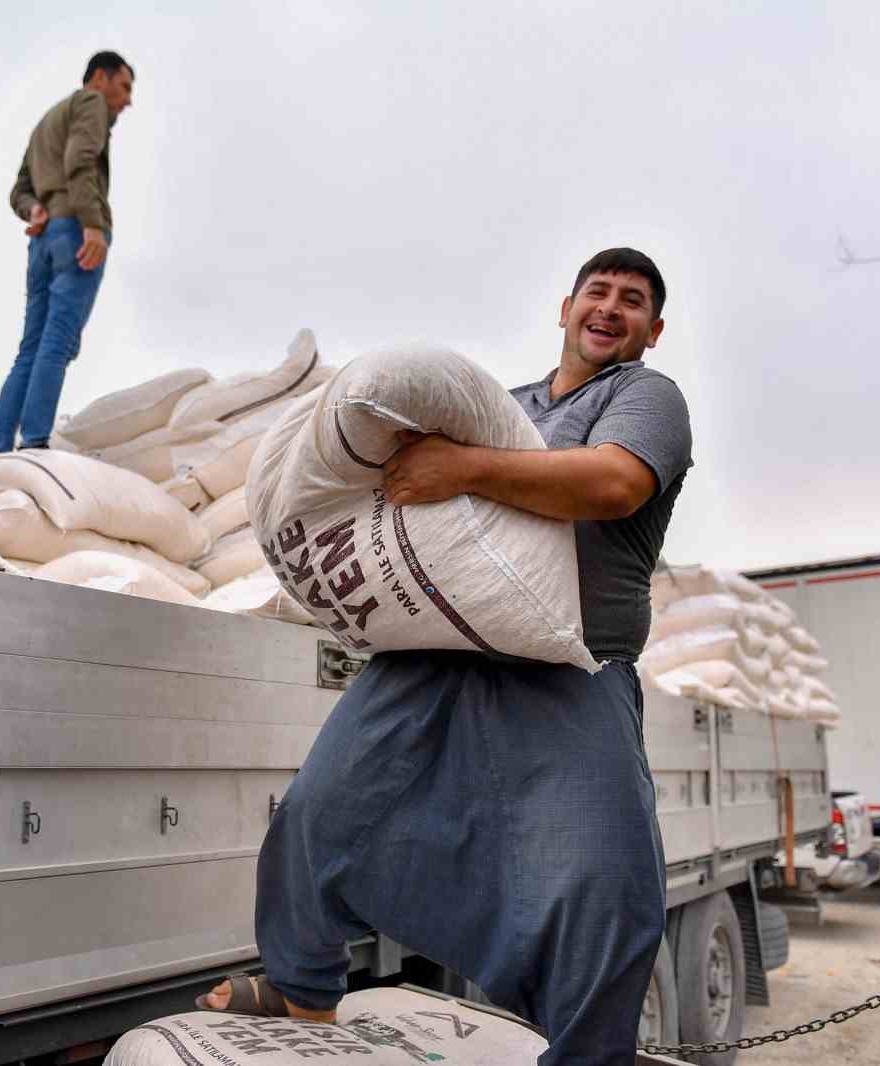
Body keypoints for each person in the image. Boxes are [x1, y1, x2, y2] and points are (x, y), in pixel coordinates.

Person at [200, 248, 692, 1065]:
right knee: (320, 813)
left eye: (632, 301)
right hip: (441, 648)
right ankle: (301, 985)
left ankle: (589, 1055)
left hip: (572, 668)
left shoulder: (644, 396)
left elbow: (613, 485)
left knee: (603, 881)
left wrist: (462, 467)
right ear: (565, 308)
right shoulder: (509, 404)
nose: (610, 308)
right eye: (597, 293)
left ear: (653, 329)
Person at [0, 52, 134, 454]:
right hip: (75, 232)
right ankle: (34, 445)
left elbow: (19, 188)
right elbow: (80, 160)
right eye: (124, 86)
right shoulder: (90, 103)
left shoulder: (47, 120)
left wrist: (32, 208)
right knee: (57, 342)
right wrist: (92, 223)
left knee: (30, 348)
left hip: (43, 238)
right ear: (100, 78)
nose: (128, 100)